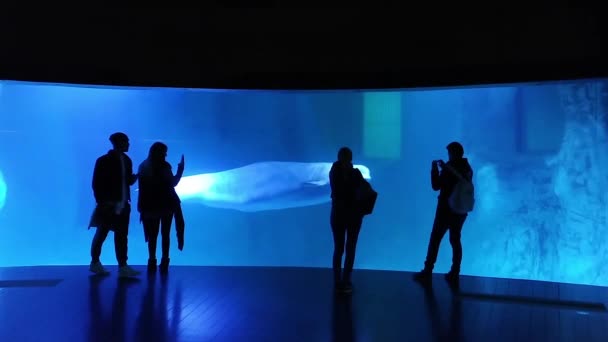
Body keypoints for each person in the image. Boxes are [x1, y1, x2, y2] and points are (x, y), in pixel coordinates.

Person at [414, 141, 473, 286]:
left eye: (449, 153)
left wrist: (434, 170)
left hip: (445, 210)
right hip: (460, 211)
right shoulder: (467, 168)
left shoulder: (449, 168)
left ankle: (428, 270)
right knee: (455, 240)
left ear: (453, 153)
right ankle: (455, 271)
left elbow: (436, 186)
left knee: (435, 240)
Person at [88, 132, 140, 278]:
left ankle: (122, 265)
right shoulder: (103, 161)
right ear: (119, 143)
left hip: (123, 204)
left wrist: (136, 176)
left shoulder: (126, 160)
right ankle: (96, 262)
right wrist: (102, 202)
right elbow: (96, 184)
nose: (129, 144)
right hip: (109, 205)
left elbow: (128, 181)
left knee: (121, 235)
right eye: (126, 141)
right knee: (102, 233)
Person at [137, 142, 185, 274]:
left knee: (153, 235)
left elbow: (142, 189)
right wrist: (180, 171)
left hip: (149, 206)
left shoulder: (143, 166)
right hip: (166, 204)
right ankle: (164, 260)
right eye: (164, 152)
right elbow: (173, 183)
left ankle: (151, 260)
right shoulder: (164, 166)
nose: (166, 154)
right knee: (165, 234)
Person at [329, 147, 366, 294]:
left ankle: (343, 279)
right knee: (343, 248)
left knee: (345, 248)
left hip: (345, 215)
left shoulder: (339, 172)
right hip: (346, 215)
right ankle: (341, 280)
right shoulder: (341, 172)